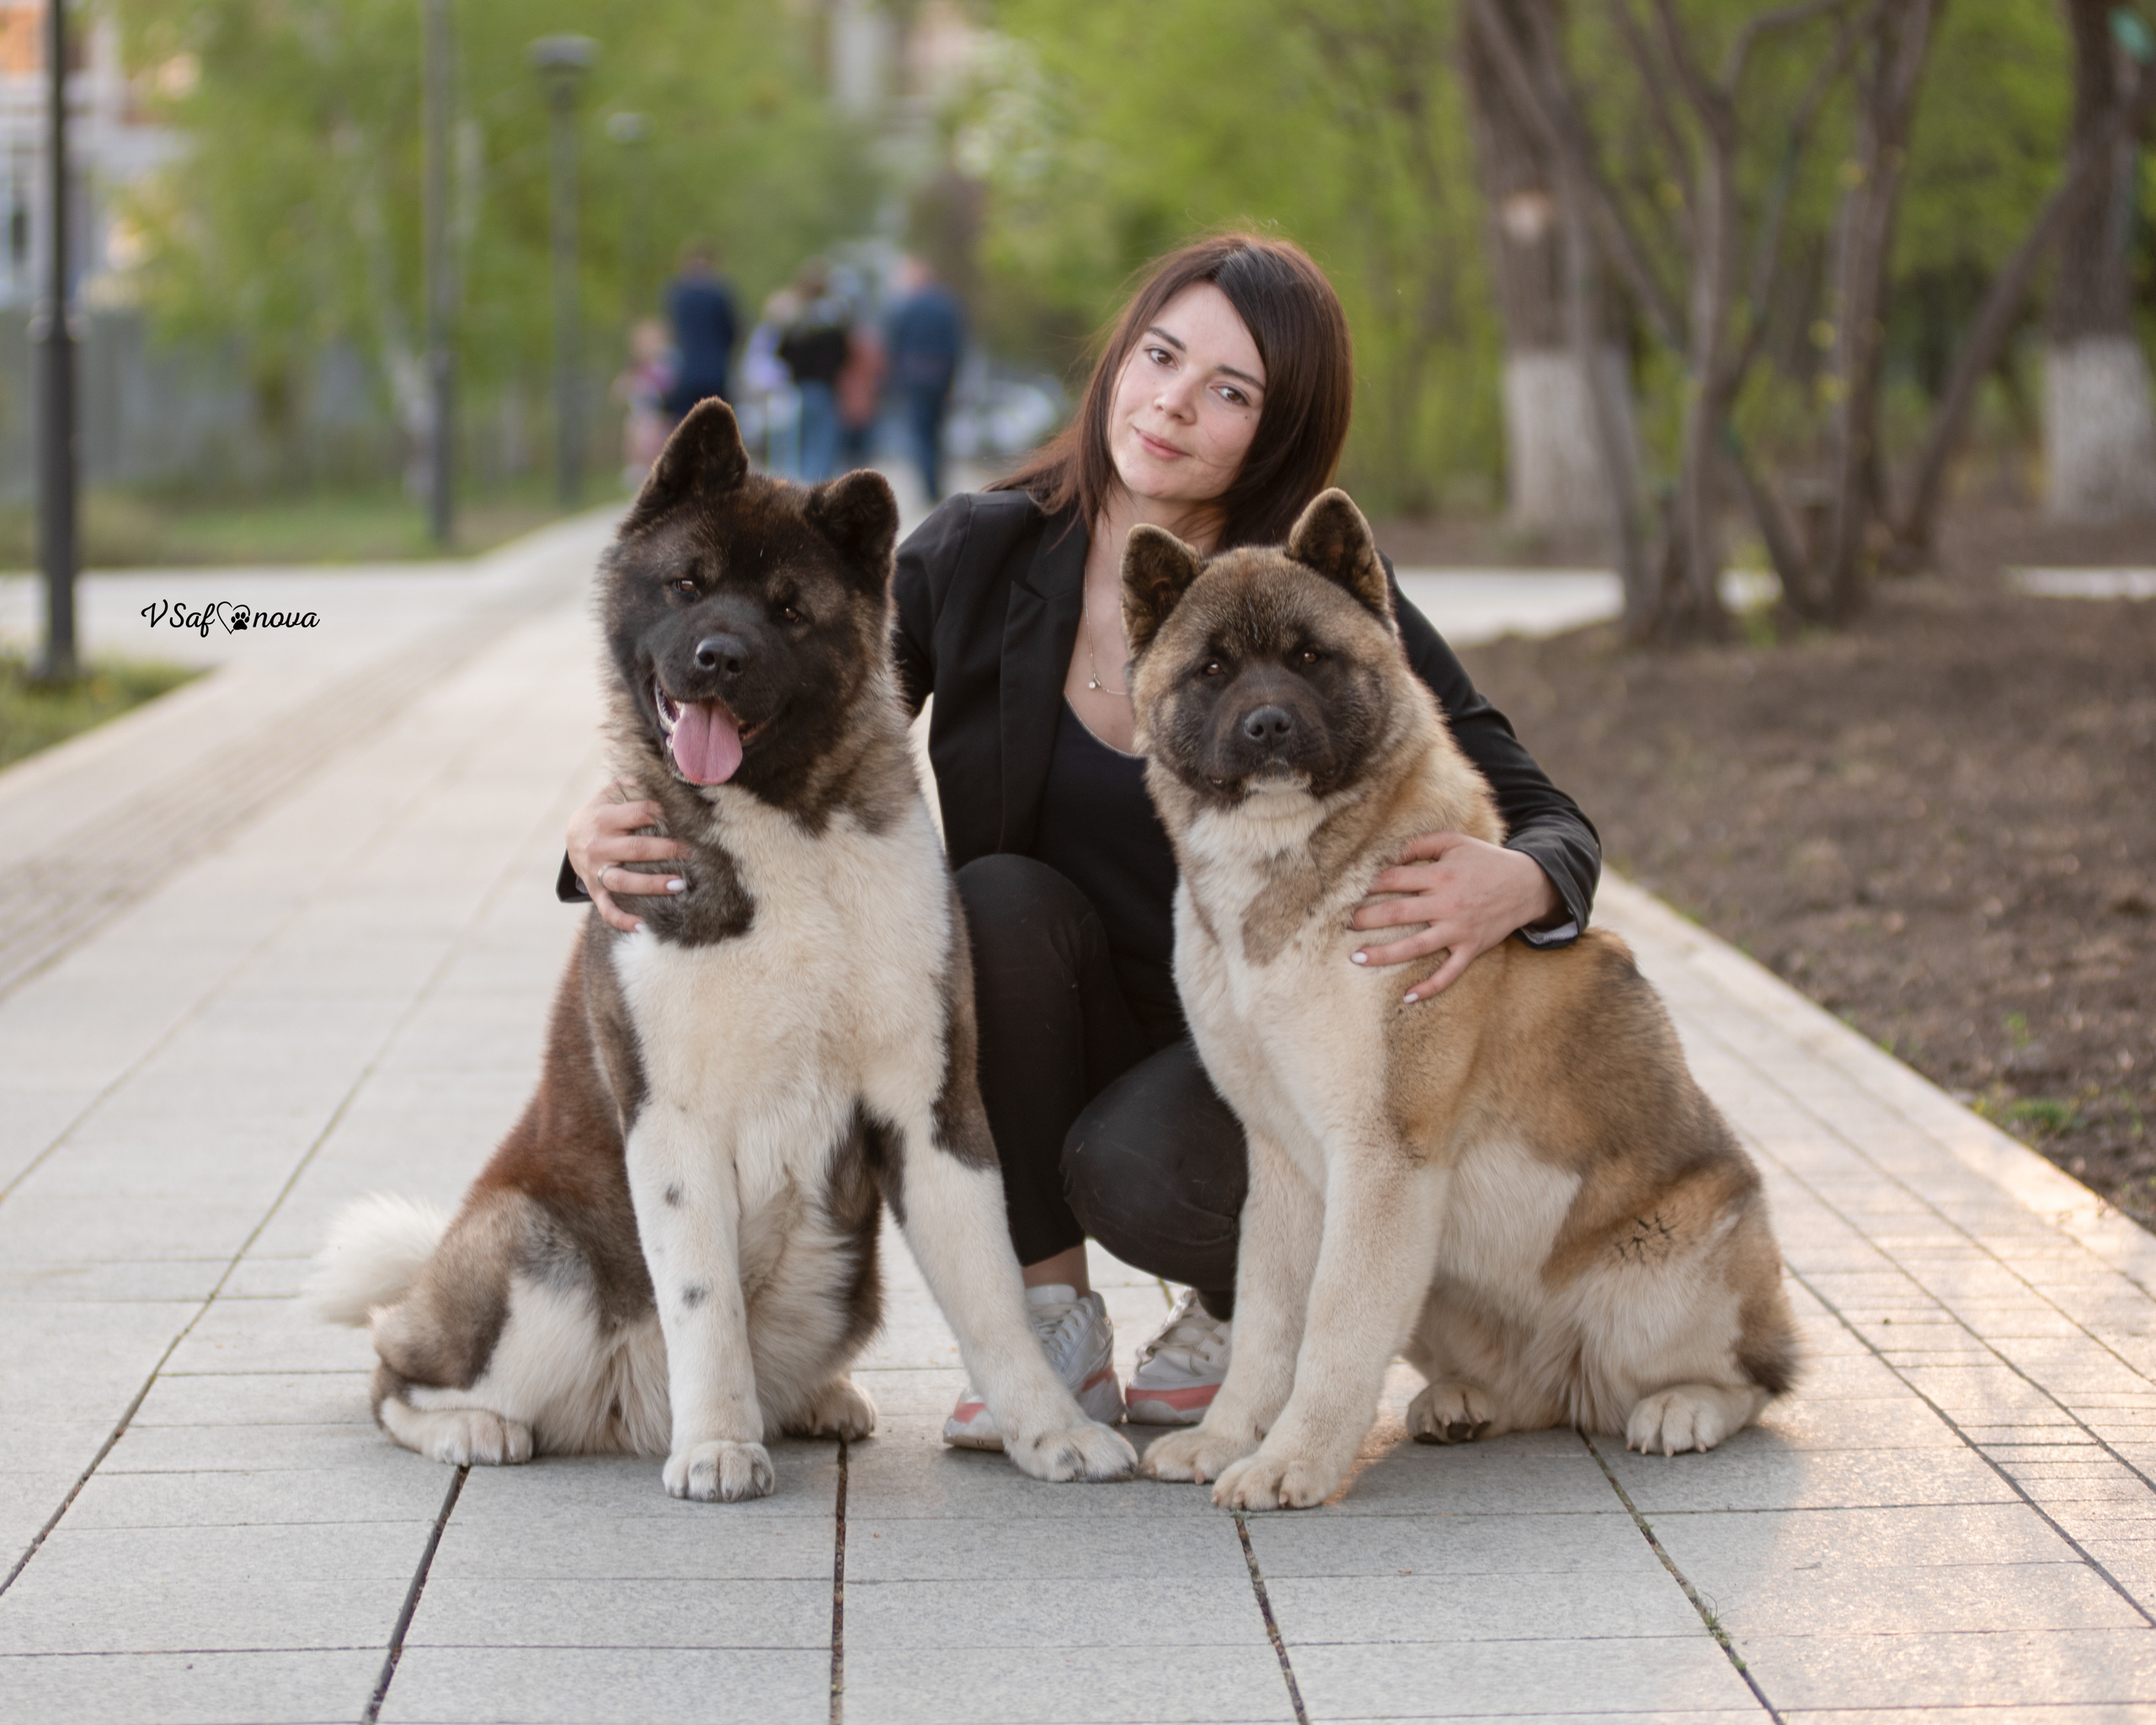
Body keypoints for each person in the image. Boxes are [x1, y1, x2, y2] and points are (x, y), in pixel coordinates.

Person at [562, 232, 1598, 1448]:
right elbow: (785, 705)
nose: (1173, 403)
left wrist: (1521, 879)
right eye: (1160, 357)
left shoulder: (1298, 601)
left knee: (1141, 1162)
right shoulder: (985, 551)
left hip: (1256, 1044)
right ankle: (1051, 1316)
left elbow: (1547, 809)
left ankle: (1237, 1312)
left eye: (1231, 392)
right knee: (989, 900)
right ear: (1117, 359)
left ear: (1275, 432)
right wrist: (600, 826)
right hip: (1042, 1019)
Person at [885, 255, 965, 503]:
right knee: (937, 432)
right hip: (941, 375)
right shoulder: (948, 305)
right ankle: (937, 483)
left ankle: (928, 487)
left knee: (920, 434)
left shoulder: (907, 307)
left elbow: (894, 344)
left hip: (915, 376)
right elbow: (957, 345)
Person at [775, 259, 853, 483]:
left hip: (799, 388)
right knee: (823, 445)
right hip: (825, 387)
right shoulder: (833, 319)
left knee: (798, 444)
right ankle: (815, 488)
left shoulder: (794, 320)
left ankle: (801, 487)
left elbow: (782, 351)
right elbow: (843, 352)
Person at [662, 243, 739, 418]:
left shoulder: (676, 295)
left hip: (687, 372)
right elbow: (732, 332)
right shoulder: (720, 294)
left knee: (686, 424)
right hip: (716, 372)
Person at [614, 318, 678, 486]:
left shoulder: (667, 363)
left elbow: (671, 387)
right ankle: (639, 470)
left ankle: (657, 472)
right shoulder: (635, 367)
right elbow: (618, 393)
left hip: (663, 413)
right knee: (634, 428)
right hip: (641, 416)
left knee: (652, 432)